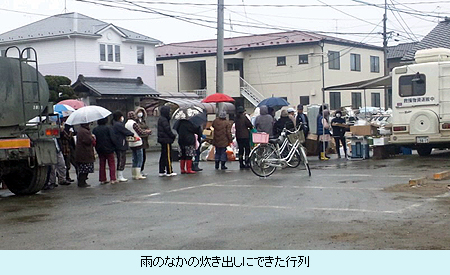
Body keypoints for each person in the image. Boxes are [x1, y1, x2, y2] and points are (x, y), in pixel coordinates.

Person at [125, 111, 150, 180]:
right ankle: (138, 174)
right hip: (137, 142)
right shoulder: (134, 123)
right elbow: (140, 132)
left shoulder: (126, 124)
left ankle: (134, 174)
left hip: (131, 143)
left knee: (134, 159)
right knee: (139, 159)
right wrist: (147, 132)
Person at [93, 117, 117, 184]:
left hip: (100, 149)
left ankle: (102, 179)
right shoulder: (109, 128)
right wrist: (115, 146)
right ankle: (113, 178)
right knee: (111, 164)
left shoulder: (95, 129)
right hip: (109, 148)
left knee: (102, 164)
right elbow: (113, 138)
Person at [112, 111, 134, 182]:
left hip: (118, 144)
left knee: (120, 159)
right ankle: (120, 175)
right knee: (121, 159)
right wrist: (132, 134)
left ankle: (119, 175)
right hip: (121, 144)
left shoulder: (114, 124)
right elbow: (126, 132)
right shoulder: (118, 125)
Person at [157, 105, 177, 177]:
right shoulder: (164, 120)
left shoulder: (161, 119)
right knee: (168, 155)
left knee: (163, 155)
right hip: (166, 139)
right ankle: (169, 171)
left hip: (163, 139)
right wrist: (173, 136)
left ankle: (161, 170)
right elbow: (167, 129)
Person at [75, 123, 95, 188]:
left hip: (83, 152)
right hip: (85, 152)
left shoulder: (81, 130)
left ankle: (82, 181)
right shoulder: (84, 131)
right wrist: (92, 137)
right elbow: (88, 140)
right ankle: (82, 182)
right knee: (84, 169)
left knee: (83, 169)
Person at [135, 107, 151, 176]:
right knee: (138, 156)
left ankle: (141, 170)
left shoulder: (143, 121)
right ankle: (138, 171)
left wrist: (148, 131)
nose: (140, 114)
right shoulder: (135, 122)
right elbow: (139, 131)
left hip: (145, 140)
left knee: (143, 156)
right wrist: (145, 131)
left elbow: (147, 128)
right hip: (139, 140)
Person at [60, 118, 77, 182]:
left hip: (70, 146)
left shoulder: (69, 125)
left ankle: (68, 177)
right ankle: (66, 177)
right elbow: (68, 137)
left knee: (73, 162)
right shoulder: (62, 128)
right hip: (65, 147)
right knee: (66, 163)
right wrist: (70, 132)